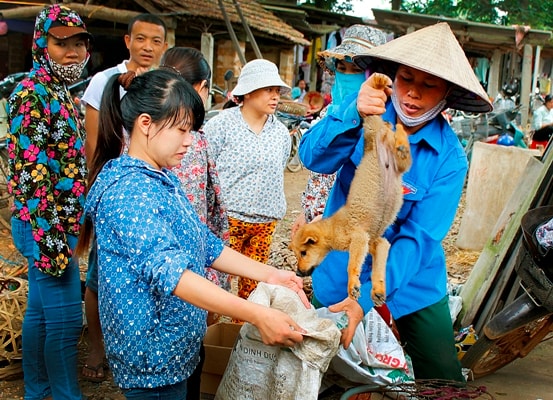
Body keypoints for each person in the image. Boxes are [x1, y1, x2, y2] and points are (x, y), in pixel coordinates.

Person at [77, 68, 308, 398]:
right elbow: (174, 275)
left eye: (193, 130)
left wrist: (270, 274)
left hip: (179, 346)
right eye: (182, 129)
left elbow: (204, 242)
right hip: (153, 359)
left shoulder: (161, 176)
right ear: (146, 124)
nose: (191, 141)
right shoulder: (128, 193)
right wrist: (257, 314)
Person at [299, 22, 492, 382]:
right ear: (392, 77)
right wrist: (351, 114)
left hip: (413, 279)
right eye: (406, 79)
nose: (413, 94)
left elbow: (418, 239)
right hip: (344, 270)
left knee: (444, 378)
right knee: (320, 368)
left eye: (429, 85)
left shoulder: (450, 159)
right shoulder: (360, 110)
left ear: (447, 93)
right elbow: (312, 158)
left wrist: (368, 300)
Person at [6, 4, 92, 399]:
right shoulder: (31, 93)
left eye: (79, 43)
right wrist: (54, 241)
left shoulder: (59, 91)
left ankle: (37, 390)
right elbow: (31, 175)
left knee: (40, 313)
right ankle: (65, 395)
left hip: (56, 223)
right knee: (65, 322)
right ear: (41, 43)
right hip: (45, 224)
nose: (72, 51)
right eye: (61, 43)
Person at [79, 12, 168, 383]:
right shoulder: (104, 82)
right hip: (117, 192)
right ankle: (99, 347)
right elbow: (93, 145)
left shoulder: (166, 83)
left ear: (164, 46)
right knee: (103, 275)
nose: (148, 47)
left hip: (155, 191)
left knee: (149, 275)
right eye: (141, 39)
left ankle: (138, 347)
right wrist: (107, 192)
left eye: (156, 41)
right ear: (128, 41)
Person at [159, 46, 229, 400]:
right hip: (187, 279)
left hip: (169, 287)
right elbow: (213, 215)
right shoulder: (195, 141)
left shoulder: (133, 142)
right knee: (185, 367)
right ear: (201, 88)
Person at [203, 59, 291, 300]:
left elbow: (278, 168)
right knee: (216, 284)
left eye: (277, 91)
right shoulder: (221, 125)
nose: (275, 97)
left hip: (265, 221)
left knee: (253, 289)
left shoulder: (281, 133)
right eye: (268, 90)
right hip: (228, 220)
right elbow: (206, 167)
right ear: (249, 92)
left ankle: (240, 334)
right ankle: (209, 333)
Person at [291, 25, 387, 239]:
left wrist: (328, 217)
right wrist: (307, 213)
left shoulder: (382, 122)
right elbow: (317, 169)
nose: (346, 76)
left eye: (356, 70)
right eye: (342, 68)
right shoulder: (330, 111)